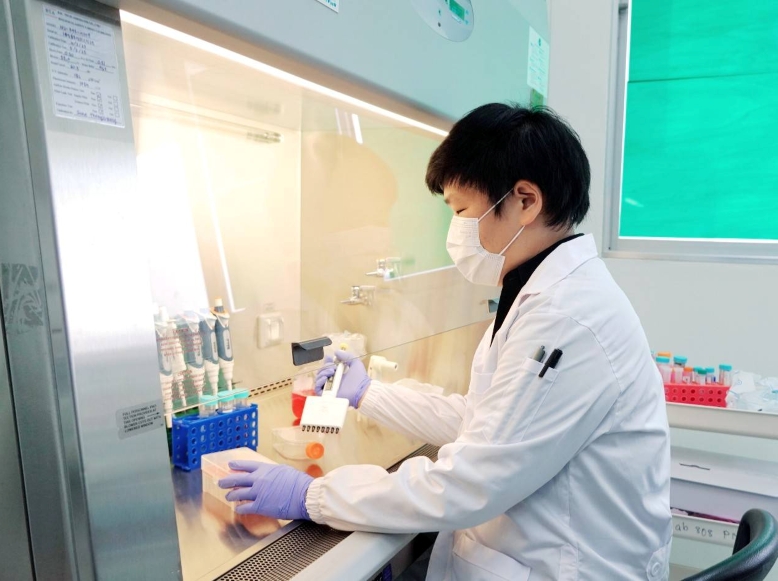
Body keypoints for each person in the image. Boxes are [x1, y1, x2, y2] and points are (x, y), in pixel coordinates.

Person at [219, 103, 672, 580]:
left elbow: (468, 482)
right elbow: (483, 420)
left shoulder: (566, 319)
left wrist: (311, 496)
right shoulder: (541, 294)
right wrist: (370, 393)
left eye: (461, 211)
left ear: (525, 201)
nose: (456, 231)